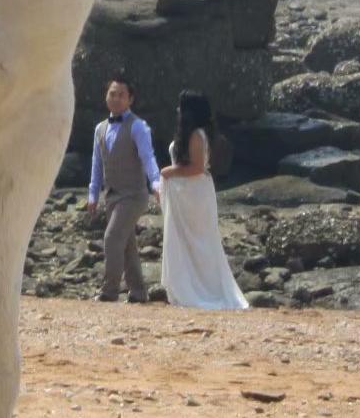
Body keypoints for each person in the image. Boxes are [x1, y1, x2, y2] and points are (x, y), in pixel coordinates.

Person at [158, 91, 248, 310]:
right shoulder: (192, 134)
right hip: (184, 194)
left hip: (194, 195)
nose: (178, 111)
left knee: (201, 244)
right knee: (184, 242)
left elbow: (197, 167)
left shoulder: (197, 135)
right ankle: (189, 287)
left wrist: (168, 171)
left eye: (181, 107)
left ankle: (203, 291)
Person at [87, 75, 161, 303]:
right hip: (112, 196)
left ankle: (109, 291)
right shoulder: (100, 128)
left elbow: (148, 158)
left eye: (121, 95)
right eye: (112, 93)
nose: (116, 99)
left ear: (130, 99)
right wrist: (92, 194)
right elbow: (97, 164)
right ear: (106, 96)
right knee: (127, 245)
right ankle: (138, 292)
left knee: (111, 238)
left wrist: (156, 183)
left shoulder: (138, 127)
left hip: (134, 195)